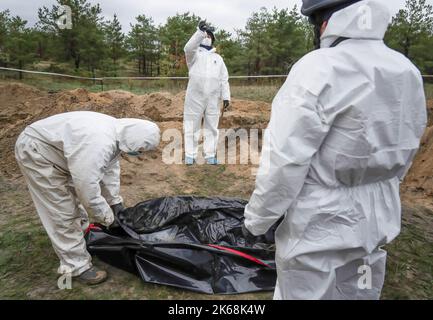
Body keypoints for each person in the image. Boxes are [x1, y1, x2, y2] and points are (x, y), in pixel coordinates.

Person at [243, 0, 427, 300]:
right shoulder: (407, 70)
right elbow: (408, 143)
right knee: (359, 291)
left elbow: (285, 160)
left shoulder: (318, 67)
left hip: (319, 222)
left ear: (325, 21)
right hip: (377, 217)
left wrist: (258, 220)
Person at [15, 111, 160, 285]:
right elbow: (87, 189)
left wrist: (115, 202)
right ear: (134, 140)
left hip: (57, 150)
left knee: (73, 203)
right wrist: (108, 218)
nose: (139, 153)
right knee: (62, 211)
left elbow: (109, 170)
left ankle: (82, 236)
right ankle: (76, 266)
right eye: (141, 150)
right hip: (37, 152)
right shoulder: (98, 142)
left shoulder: (117, 134)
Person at [183, 20, 231, 165]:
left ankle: (210, 154)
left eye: (210, 35)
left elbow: (224, 78)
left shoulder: (218, 58)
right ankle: (190, 155)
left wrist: (226, 96)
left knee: (212, 126)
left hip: (213, 98)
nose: (207, 37)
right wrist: (199, 31)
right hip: (195, 96)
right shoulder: (194, 55)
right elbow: (188, 48)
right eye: (206, 34)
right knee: (192, 124)